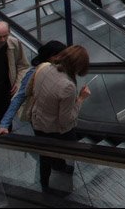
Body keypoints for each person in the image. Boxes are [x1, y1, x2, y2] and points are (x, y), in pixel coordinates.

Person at [26, 45, 91, 193]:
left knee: (44, 154)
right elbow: (65, 120)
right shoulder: (67, 86)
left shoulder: (44, 68)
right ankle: (56, 175)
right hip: (53, 129)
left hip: (37, 121)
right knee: (63, 149)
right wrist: (81, 98)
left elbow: (28, 91)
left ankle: (46, 183)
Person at [0, 40, 67, 142]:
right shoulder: (34, 73)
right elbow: (19, 97)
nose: (62, 59)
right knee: (47, 149)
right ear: (49, 56)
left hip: (60, 118)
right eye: (58, 56)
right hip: (42, 121)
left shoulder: (60, 69)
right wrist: (4, 124)